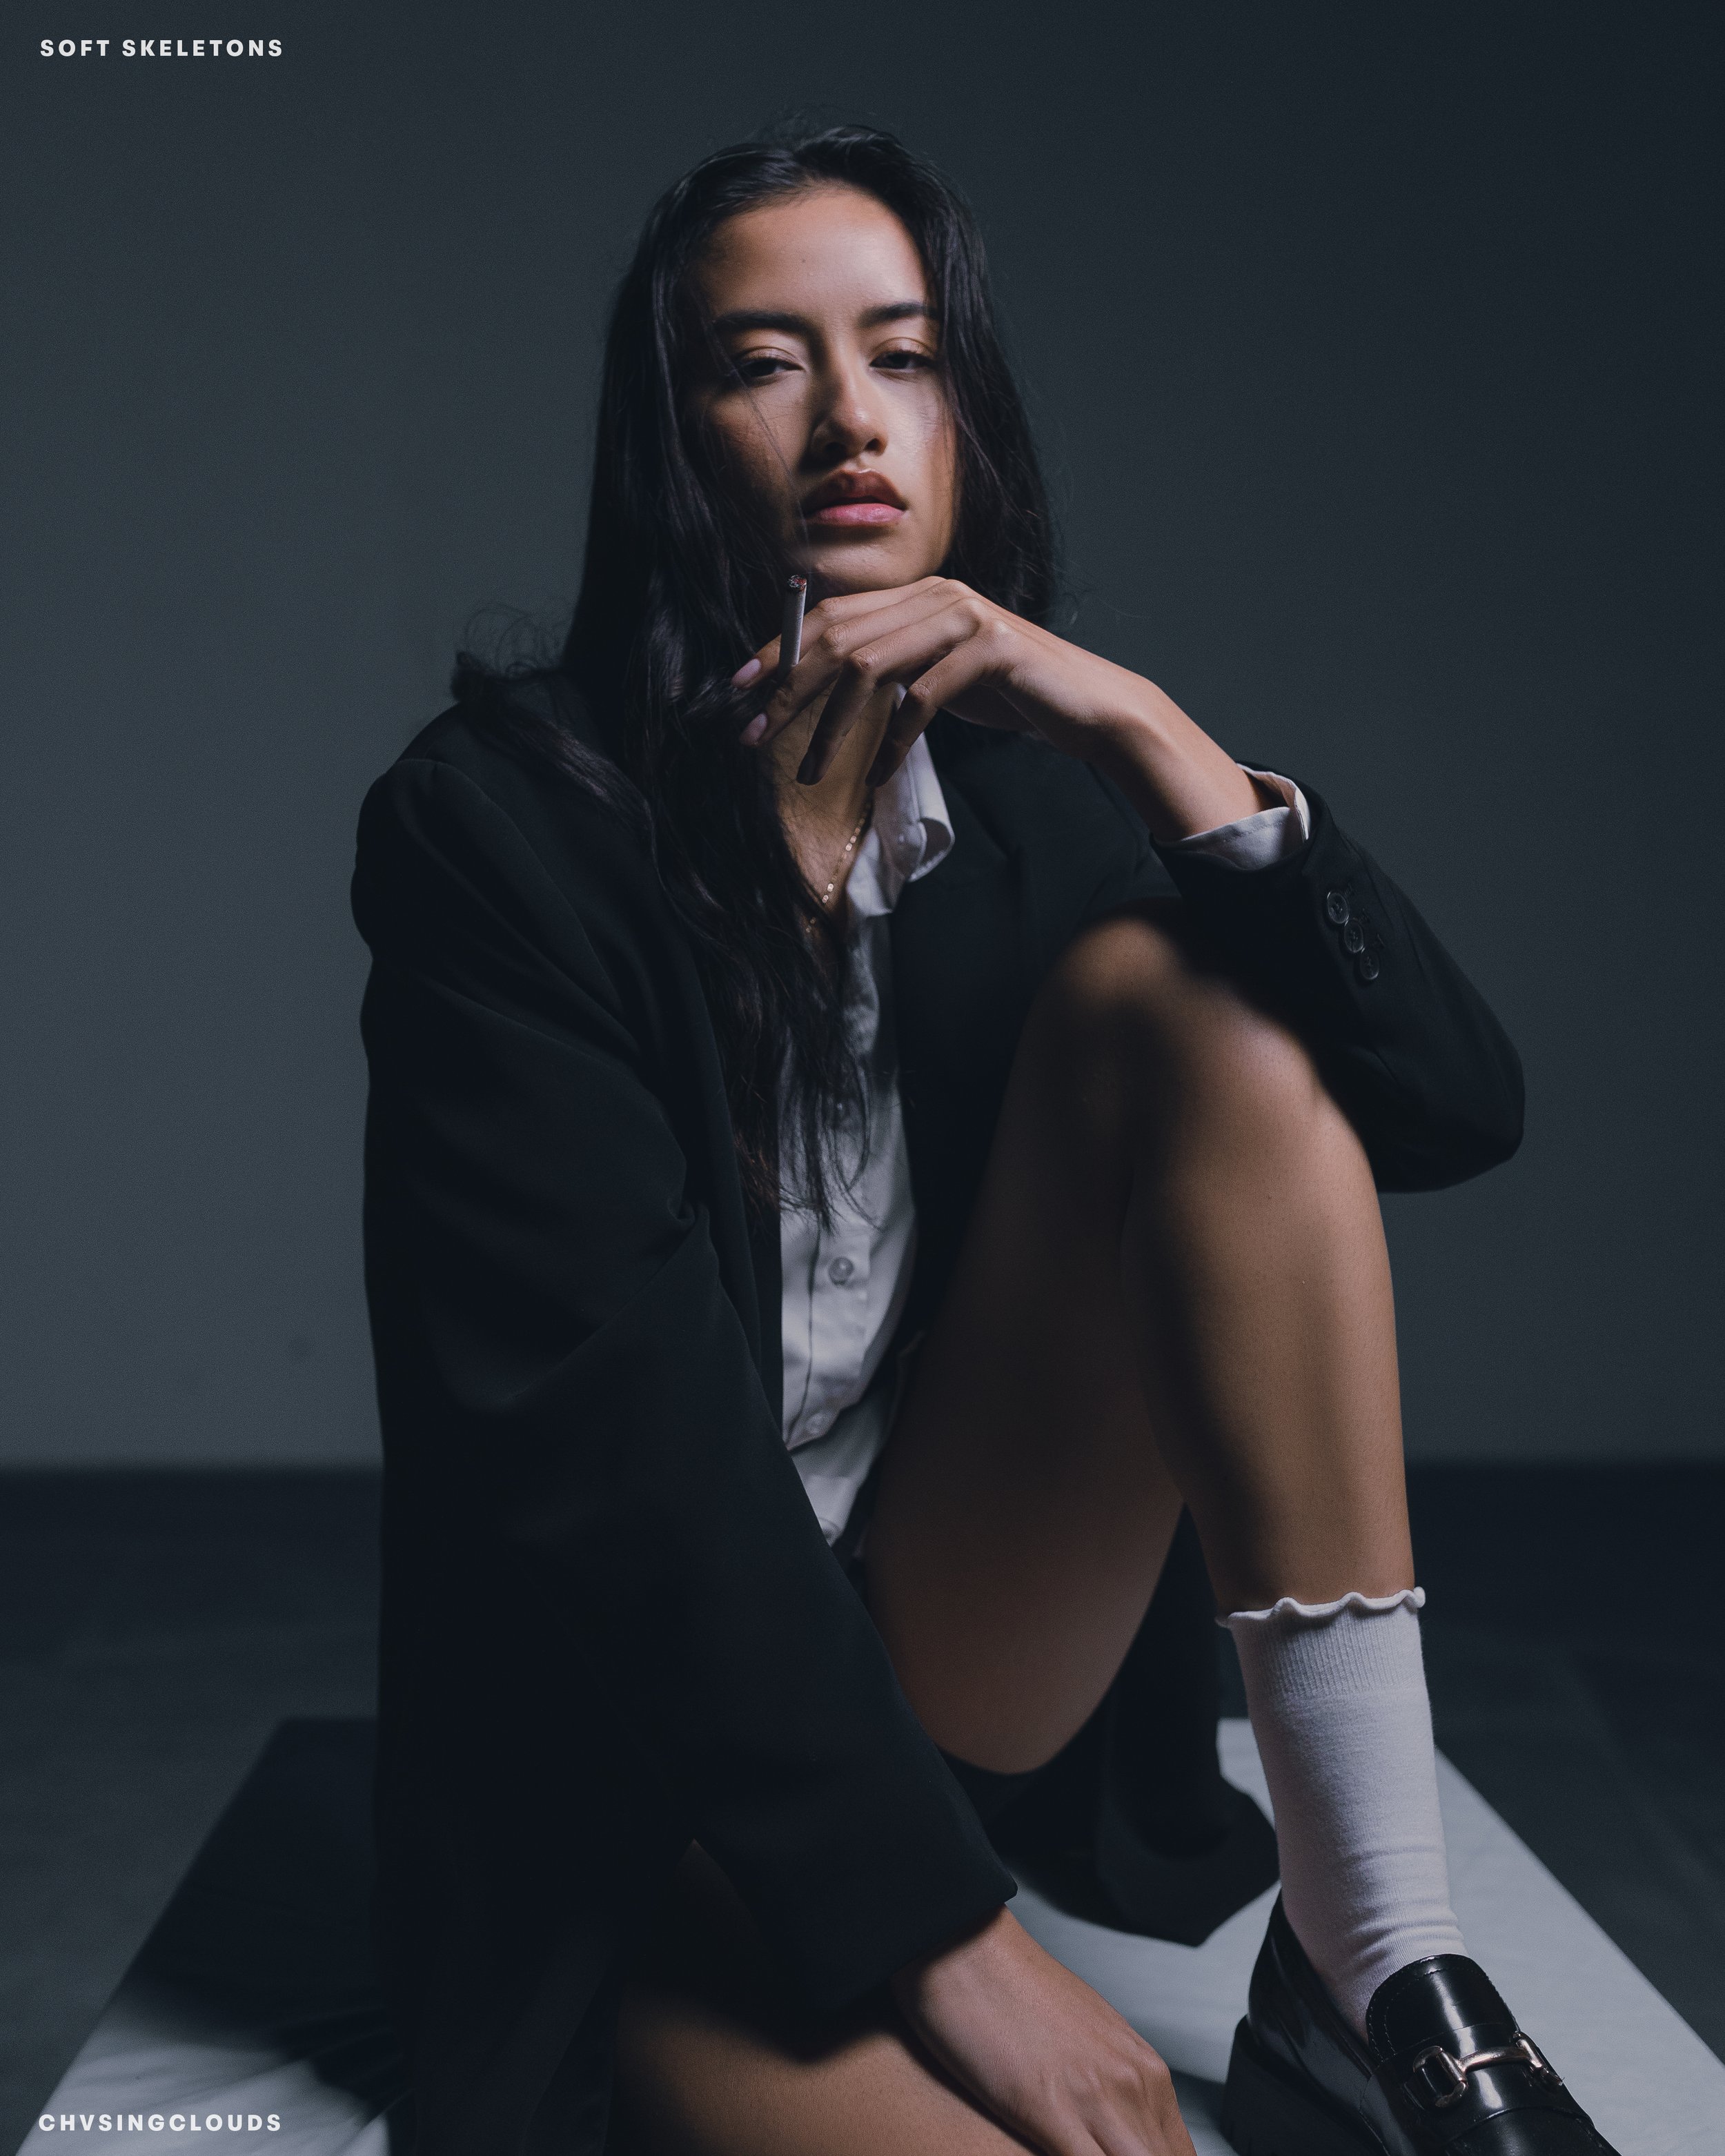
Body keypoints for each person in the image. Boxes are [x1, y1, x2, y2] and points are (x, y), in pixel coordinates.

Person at [351, 125, 1617, 2156]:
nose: (849, 416)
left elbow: (1446, 1112)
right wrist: (957, 1947)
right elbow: (606, 1450)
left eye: (906, 354)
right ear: (668, 432)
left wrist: (1145, 735)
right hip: (643, 1779)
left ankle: (1378, 1951)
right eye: (761, 361)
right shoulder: (498, 836)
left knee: (1192, 1007)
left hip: (954, 1662)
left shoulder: (1038, 812)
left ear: (966, 412)